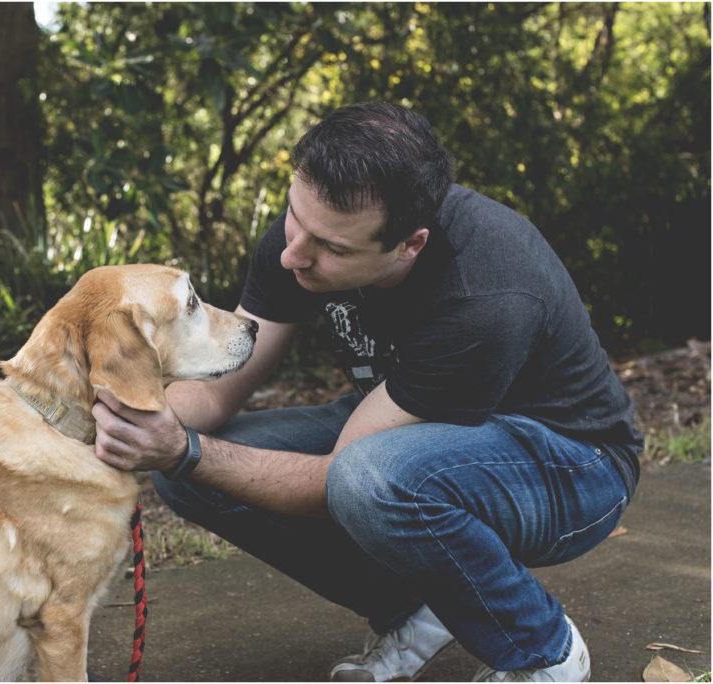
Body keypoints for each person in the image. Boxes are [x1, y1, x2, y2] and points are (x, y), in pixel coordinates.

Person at [91, 102, 643, 682]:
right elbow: (214, 395)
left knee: (363, 480)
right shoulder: (306, 231)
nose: (292, 254)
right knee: (191, 473)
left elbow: (337, 481)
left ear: (409, 245)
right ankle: (417, 611)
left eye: (331, 248)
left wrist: (181, 449)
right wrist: (123, 416)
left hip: (575, 464)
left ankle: (545, 653)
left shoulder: (484, 296)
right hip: (410, 428)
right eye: (292, 217)